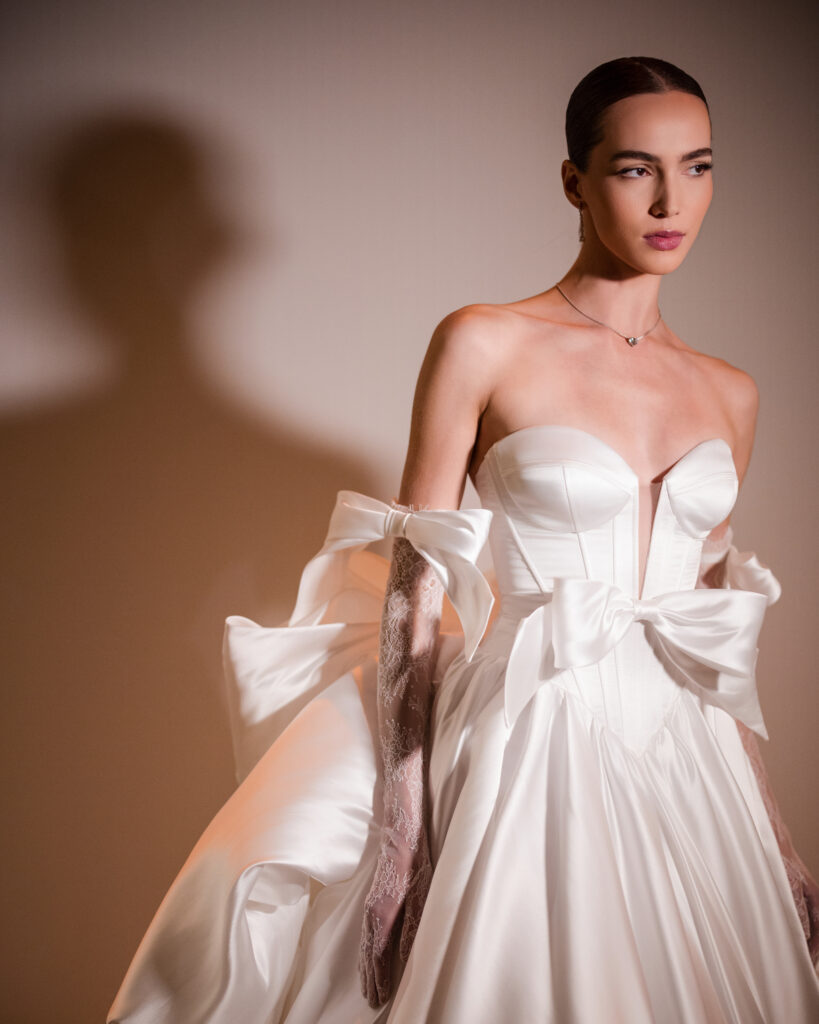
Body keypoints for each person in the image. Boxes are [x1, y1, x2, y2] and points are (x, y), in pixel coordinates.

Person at [107, 56, 819, 1023]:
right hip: (532, 727)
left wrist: (775, 841)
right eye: (633, 168)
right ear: (574, 179)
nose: (670, 200)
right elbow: (416, 585)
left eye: (695, 167)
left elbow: (713, 635)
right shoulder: (484, 341)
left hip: (690, 756)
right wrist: (405, 823)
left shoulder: (730, 391)